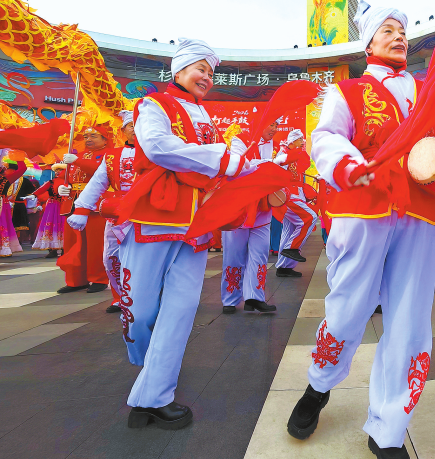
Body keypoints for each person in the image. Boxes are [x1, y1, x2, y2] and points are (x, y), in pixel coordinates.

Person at [286, 0, 435, 458]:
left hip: (419, 210)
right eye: (388, 30)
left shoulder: (425, 91)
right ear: (369, 44)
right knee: (348, 309)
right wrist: (349, 166)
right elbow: (327, 137)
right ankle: (319, 385)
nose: (399, 37)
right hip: (365, 209)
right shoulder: (349, 91)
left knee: (409, 318)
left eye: (402, 31)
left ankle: (388, 426)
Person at [117, 38, 252, 431]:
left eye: (211, 73)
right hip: (157, 216)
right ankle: (148, 368)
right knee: (140, 310)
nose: (207, 77)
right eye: (200, 69)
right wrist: (222, 158)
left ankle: (156, 395)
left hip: (197, 223)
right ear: (179, 70)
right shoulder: (154, 104)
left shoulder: (207, 116)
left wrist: (241, 163)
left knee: (180, 311)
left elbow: (218, 165)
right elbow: (158, 147)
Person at [66, 111, 136, 313]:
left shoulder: (157, 152)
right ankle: (120, 297)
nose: (136, 128)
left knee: (148, 259)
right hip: (117, 213)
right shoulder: (112, 155)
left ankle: (151, 296)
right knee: (111, 256)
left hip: (149, 214)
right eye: (131, 125)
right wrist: (82, 208)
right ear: (123, 131)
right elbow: (97, 182)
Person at [220, 121, 278, 314]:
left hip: (262, 208)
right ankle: (230, 298)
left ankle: (254, 297)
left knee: (260, 254)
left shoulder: (272, 145)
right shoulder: (241, 140)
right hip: (239, 208)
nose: (275, 129)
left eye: (277, 125)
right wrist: (266, 165)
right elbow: (238, 167)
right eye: (272, 124)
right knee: (234, 255)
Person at [56, 126, 113, 294]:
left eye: (93, 136)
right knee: (72, 244)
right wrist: (60, 187)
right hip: (72, 203)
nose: (88, 139)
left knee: (96, 245)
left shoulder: (109, 155)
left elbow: (100, 171)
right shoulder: (78, 156)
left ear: (105, 139)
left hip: (95, 204)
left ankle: (99, 278)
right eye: (86, 136)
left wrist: (76, 161)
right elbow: (63, 177)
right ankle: (75, 280)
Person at [274, 128, 318, 277]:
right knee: (310, 217)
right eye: (300, 140)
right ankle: (292, 248)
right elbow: (278, 174)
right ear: (292, 141)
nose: (302, 142)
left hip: (296, 193)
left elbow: (300, 170)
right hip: (288, 195)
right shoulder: (283, 153)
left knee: (289, 230)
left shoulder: (296, 154)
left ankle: (284, 267)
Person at [32, 164, 67, 257]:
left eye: (60, 170)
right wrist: (33, 195)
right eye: (56, 170)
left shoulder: (69, 182)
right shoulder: (51, 182)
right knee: (51, 226)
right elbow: (41, 189)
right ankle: (52, 249)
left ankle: (65, 248)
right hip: (52, 207)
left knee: (64, 227)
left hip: (64, 206)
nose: (57, 172)